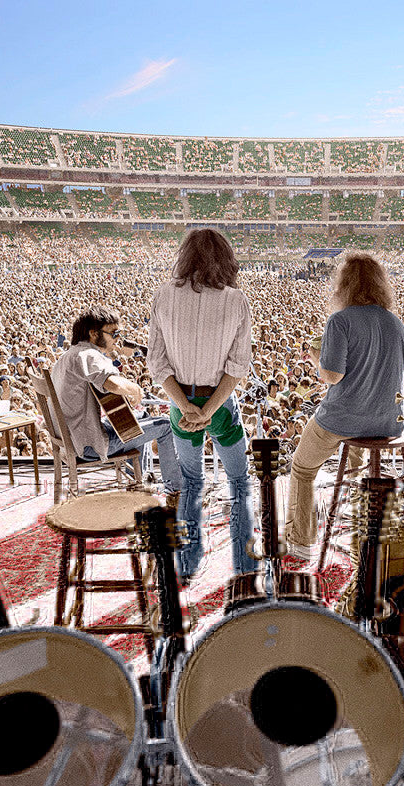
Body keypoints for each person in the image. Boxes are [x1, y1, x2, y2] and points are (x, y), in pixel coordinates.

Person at [147, 229, 256, 584]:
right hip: (221, 404)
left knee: (192, 482)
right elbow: (237, 367)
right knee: (239, 482)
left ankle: (188, 566)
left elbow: (158, 365)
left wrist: (187, 407)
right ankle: (245, 568)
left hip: (180, 403)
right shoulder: (236, 300)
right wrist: (209, 410)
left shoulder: (163, 295)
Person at [284, 253, 404, 559]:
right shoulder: (396, 324)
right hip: (387, 421)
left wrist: (316, 360)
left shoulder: (340, 321)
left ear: (344, 285)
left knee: (301, 468)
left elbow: (333, 375)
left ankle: (301, 540)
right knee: (354, 459)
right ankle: (356, 510)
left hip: (345, 417)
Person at [50, 306, 181, 497]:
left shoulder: (67, 356)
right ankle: (175, 488)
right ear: (93, 333)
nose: (117, 339)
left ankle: (138, 480)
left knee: (141, 416)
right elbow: (111, 383)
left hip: (71, 439)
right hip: (88, 445)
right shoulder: (87, 354)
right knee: (165, 425)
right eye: (113, 333)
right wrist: (134, 389)